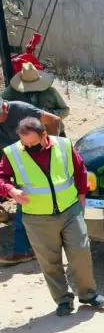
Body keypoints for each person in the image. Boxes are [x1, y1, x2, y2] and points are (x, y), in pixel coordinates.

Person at [0, 117, 104, 316]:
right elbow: (2, 177)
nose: (29, 147)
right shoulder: (13, 152)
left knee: (81, 252)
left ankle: (88, 295)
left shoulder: (63, 145)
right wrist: (11, 191)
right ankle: (63, 301)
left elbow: (79, 169)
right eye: (25, 143)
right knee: (50, 261)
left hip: (70, 209)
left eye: (33, 142)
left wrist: (82, 194)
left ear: (44, 135)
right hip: (37, 217)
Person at [0, 100, 63, 267]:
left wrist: (52, 149)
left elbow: (54, 120)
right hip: (20, 159)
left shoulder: (21, 109)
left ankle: (24, 250)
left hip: (40, 157)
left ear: (5, 108)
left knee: (28, 200)